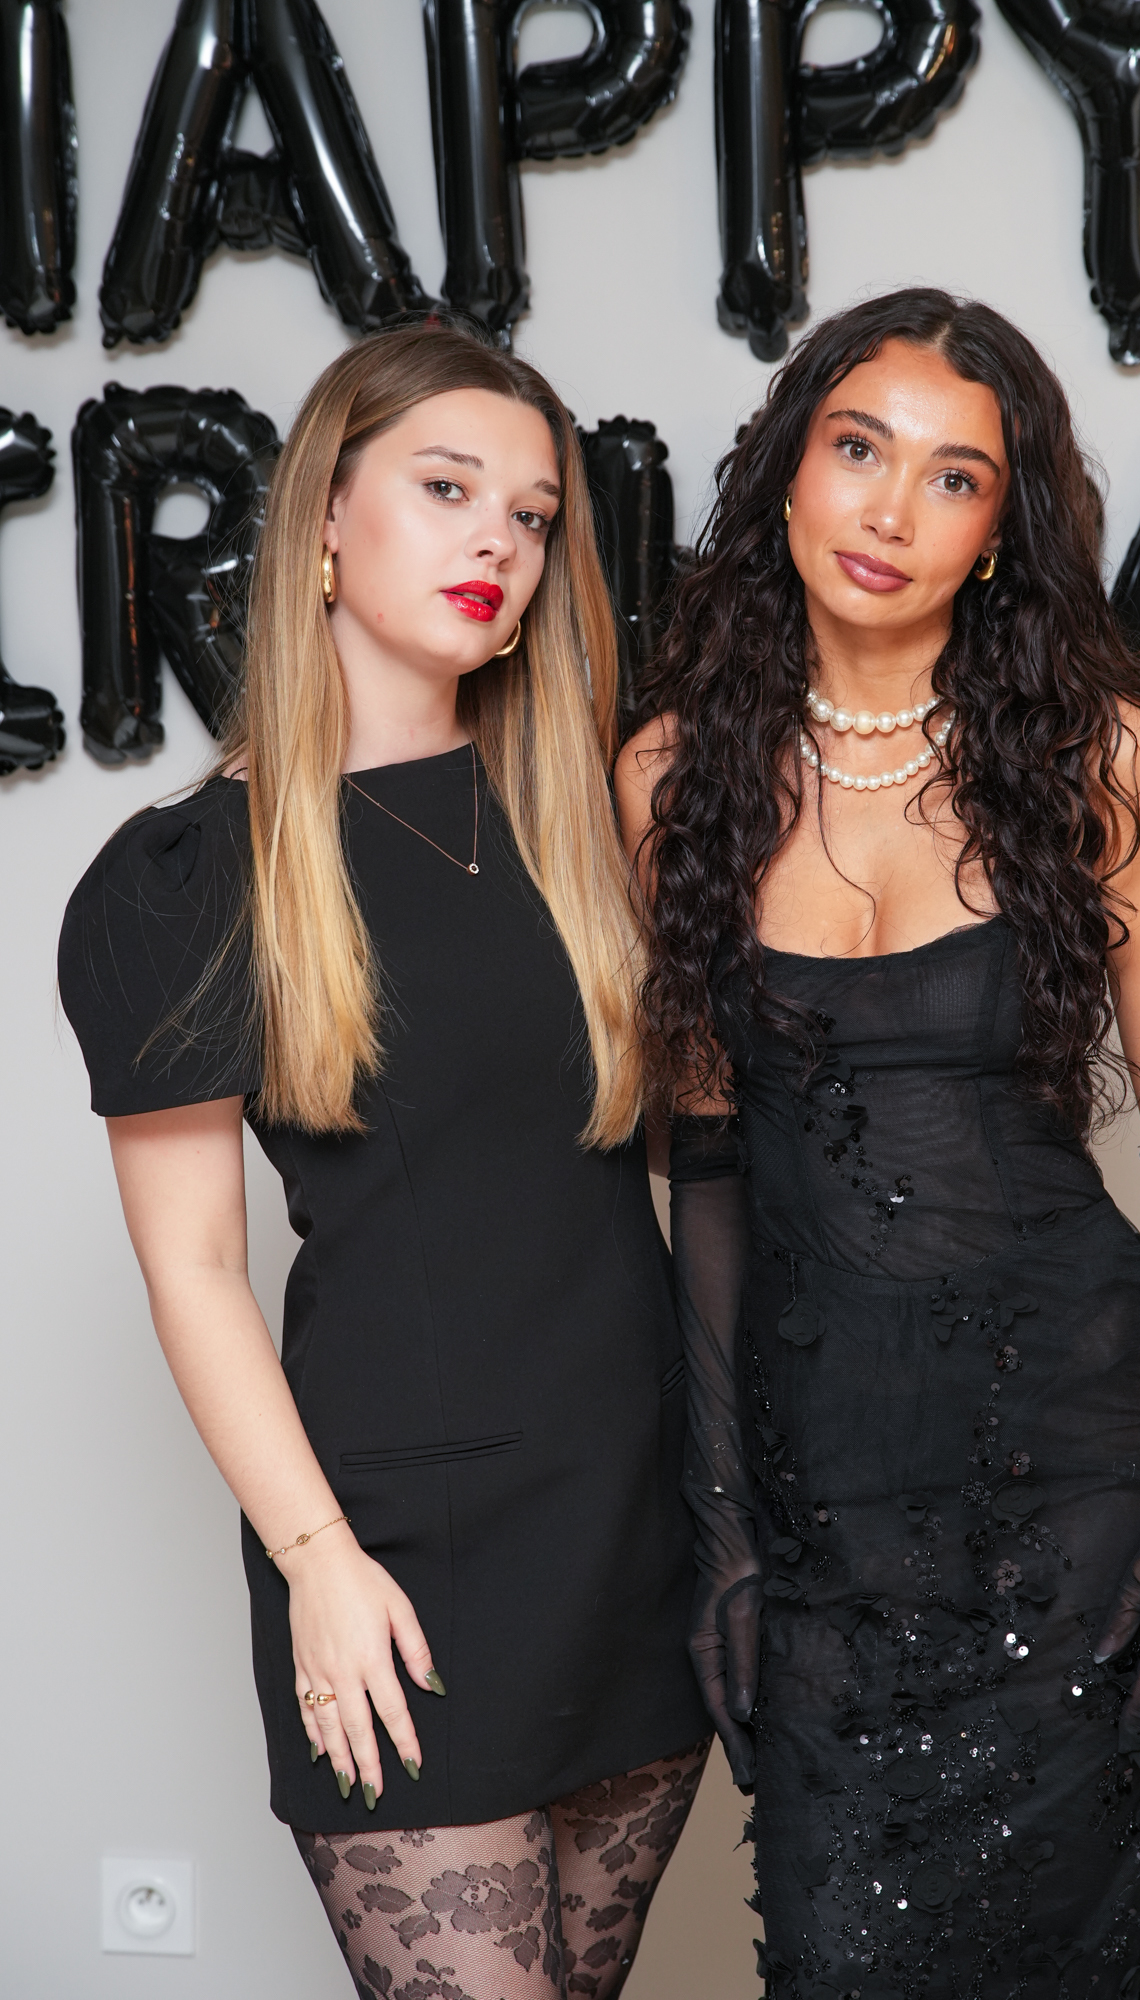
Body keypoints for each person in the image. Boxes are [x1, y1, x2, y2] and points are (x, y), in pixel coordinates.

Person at [617, 289, 1140, 2000]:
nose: (890, 510)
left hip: (1076, 1466)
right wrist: (724, 1523)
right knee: (842, 1957)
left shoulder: (1102, 755)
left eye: (953, 477)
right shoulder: (669, 776)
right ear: (786, 471)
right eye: (857, 449)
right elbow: (708, 1175)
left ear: (999, 531)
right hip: (823, 1490)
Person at [60, 321, 708, 1999]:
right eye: (446, 489)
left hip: (638, 1527)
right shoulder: (189, 876)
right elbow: (195, 1270)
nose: (499, 539)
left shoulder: (590, 822)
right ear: (324, 523)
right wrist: (315, 1564)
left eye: (533, 514)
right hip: (400, 1551)